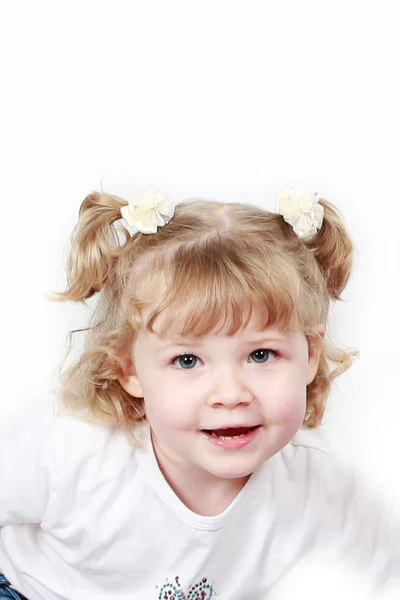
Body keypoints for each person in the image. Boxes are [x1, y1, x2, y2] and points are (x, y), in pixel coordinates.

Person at [0, 183, 398, 600]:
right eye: (187, 361)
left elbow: (387, 558)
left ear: (310, 354)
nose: (230, 393)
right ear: (128, 368)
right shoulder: (73, 450)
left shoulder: (314, 479)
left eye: (262, 355)